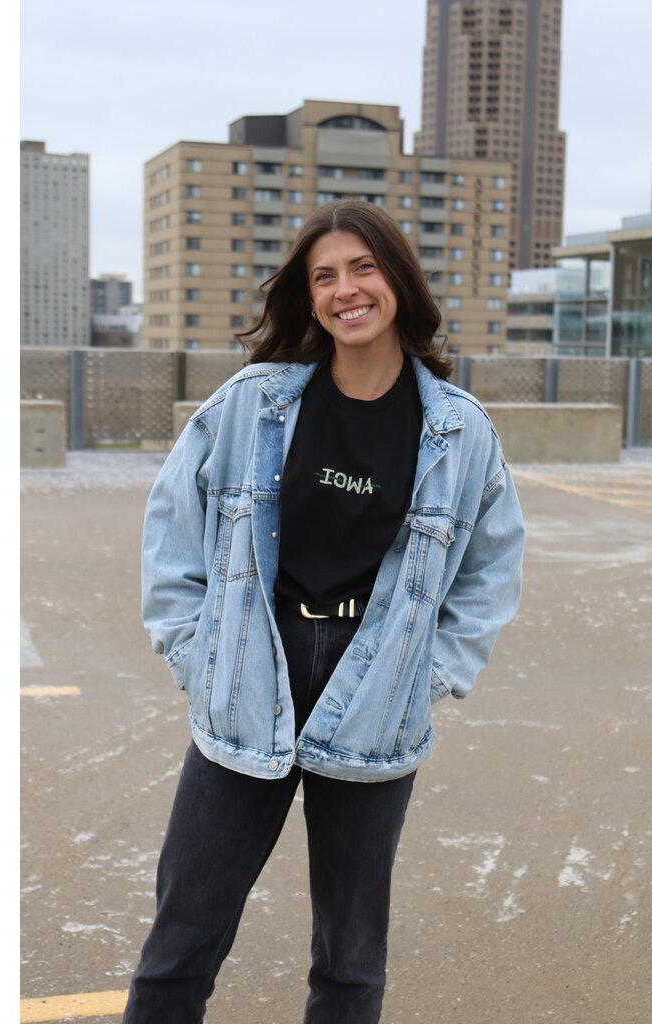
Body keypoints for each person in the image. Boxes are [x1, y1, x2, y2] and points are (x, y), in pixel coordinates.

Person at [122, 199, 525, 1024]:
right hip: (249, 668)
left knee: (349, 960)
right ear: (309, 299)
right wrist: (195, 655)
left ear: (398, 282)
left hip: (377, 691)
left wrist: (432, 676)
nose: (347, 289)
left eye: (363, 268)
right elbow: (172, 530)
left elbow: (491, 567)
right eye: (325, 276)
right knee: (180, 944)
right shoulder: (252, 404)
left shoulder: (458, 430)